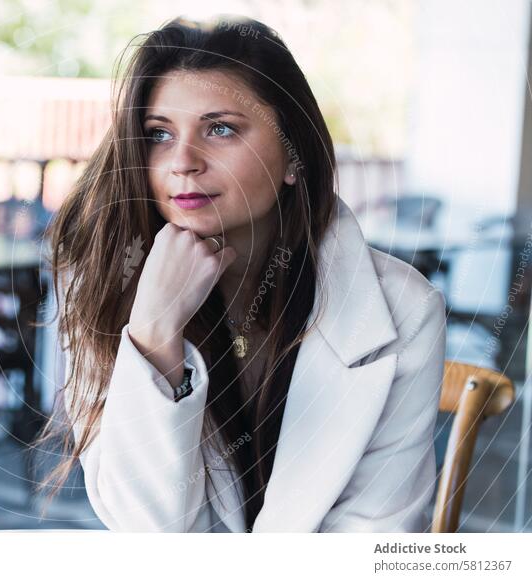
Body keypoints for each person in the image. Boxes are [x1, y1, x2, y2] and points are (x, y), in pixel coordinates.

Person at [34, 14, 446, 533]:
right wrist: (154, 336)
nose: (182, 161)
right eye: (159, 134)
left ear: (293, 157)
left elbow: (373, 537)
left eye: (221, 128)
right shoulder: (100, 286)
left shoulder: (404, 309)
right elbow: (145, 529)